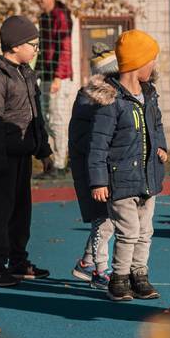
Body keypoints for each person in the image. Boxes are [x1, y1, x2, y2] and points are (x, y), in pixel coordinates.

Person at [88, 30, 168, 302]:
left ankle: (139, 275)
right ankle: (119, 278)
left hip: (148, 175)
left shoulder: (150, 94)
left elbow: (156, 125)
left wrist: (161, 147)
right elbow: (98, 144)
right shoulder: (112, 101)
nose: (154, 66)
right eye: (152, 61)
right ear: (137, 63)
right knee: (128, 231)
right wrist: (98, 180)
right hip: (121, 178)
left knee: (146, 231)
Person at [0, 15, 52, 287]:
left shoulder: (27, 73)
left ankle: (18, 260)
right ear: (16, 45)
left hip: (22, 154)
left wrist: (43, 149)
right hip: (2, 157)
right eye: (33, 44)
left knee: (22, 211)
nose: (36, 49)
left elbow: (36, 115)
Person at [68, 47, 119, 287]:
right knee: (103, 219)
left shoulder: (107, 97)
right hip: (92, 168)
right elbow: (84, 138)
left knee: (107, 219)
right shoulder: (90, 99)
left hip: (102, 166)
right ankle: (99, 269)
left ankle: (87, 262)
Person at [33, 0, 76, 179]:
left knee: (58, 120)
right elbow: (43, 48)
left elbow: (64, 47)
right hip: (46, 76)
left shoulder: (61, 16)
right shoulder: (44, 18)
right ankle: (54, 162)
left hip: (61, 77)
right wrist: (36, 72)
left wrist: (59, 76)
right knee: (46, 119)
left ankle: (60, 164)